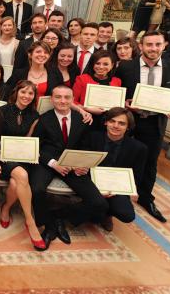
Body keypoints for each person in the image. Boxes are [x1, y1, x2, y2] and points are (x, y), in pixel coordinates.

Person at [116, 31, 170, 222]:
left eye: (157, 44)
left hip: (155, 123)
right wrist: (126, 104)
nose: (153, 48)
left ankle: (146, 198)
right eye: (149, 45)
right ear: (140, 46)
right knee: (122, 157)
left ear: (164, 45)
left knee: (149, 162)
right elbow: (117, 93)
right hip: (129, 121)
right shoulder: (126, 67)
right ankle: (117, 194)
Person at [31, 85, 108, 248]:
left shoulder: (83, 119)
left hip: (74, 165)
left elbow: (86, 146)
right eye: (58, 97)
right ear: (51, 99)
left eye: (67, 97)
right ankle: (48, 226)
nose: (62, 101)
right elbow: (35, 147)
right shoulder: (43, 119)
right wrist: (53, 164)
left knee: (99, 203)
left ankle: (58, 216)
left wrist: (82, 164)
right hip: (48, 163)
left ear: (73, 100)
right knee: (37, 189)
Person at [0, 80, 46, 250]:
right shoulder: (2, 111)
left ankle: (6, 207)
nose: (26, 96)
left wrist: (31, 152)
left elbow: (28, 140)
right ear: (16, 92)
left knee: (15, 182)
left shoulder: (35, 115)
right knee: (23, 176)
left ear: (34, 97)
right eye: (23, 92)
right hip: (2, 156)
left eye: (30, 93)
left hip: (21, 157)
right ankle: (30, 221)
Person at [84, 107, 146, 231]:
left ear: (128, 127)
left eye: (122, 123)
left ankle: (107, 214)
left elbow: (137, 176)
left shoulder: (139, 148)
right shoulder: (91, 137)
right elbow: (83, 164)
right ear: (106, 122)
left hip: (117, 187)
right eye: (112, 121)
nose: (116, 126)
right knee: (94, 206)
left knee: (127, 215)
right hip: (91, 182)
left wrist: (126, 190)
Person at [72, 50, 121, 128]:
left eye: (105, 64)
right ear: (92, 64)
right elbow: (72, 102)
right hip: (86, 120)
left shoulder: (117, 81)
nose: (101, 67)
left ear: (112, 65)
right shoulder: (82, 79)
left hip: (109, 123)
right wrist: (87, 109)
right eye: (97, 63)